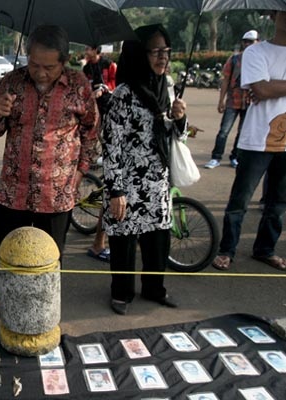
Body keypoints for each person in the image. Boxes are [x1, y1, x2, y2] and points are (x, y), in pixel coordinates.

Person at [0, 24, 99, 313]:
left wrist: (80, 171)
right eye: (34, 64)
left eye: (49, 67)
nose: (40, 73)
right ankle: (0, 295)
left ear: (64, 61)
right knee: (6, 248)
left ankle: (44, 304)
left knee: (50, 254)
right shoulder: (10, 83)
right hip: (13, 188)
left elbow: (91, 130)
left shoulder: (78, 85)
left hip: (56, 191)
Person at [101, 24, 187, 315]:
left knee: (157, 241)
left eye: (166, 51)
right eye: (155, 52)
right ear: (139, 54)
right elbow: (111, 145)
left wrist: (179, 119)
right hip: (127, 182)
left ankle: (154, 289)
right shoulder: (124, 94)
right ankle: (121, 293)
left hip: (157, 181)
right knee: (124, 241)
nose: (162, 58)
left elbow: (175, 136)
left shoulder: (169, 86)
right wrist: (116, 190)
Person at [211, 11, 286, 272]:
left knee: (278, 204)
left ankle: (265, 249)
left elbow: (268, 88)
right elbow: (261, 89)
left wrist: (272, 86)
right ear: (274, 14)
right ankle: (226, 250)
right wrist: (265, 88)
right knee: (240, 201)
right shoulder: (255, 52)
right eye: (284, 10)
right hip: (255, 140)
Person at [204, 30, 259, 170]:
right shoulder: (234, 59)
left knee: (242, 132)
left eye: (251, 41)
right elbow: (226, 80)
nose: (248, 44)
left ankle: (235, 157)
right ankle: (215, 157)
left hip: (250, 102)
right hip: (233, 100)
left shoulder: (260, 60)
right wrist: (220, 100)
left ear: (257, 42)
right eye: (245, 41)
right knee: (224, 131)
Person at [82, 46, 116, 264]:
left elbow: (115, 84)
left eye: (88, 49)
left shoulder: (109, 65)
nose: (85, 52)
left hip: (108, 108)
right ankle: (98, 244)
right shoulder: (87, 69)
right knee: (111, 194)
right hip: (98, 113)